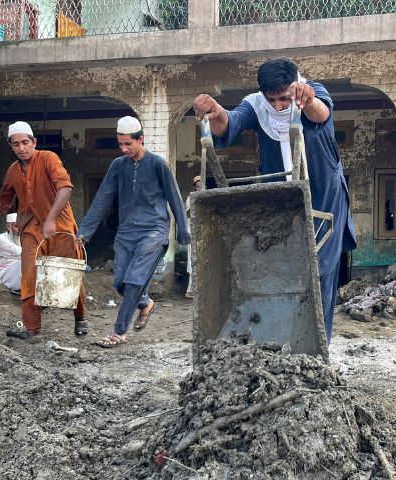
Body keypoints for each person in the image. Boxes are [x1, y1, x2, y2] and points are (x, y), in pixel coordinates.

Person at [192, 57, 356, 345]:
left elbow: (321, 114)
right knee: (281, 264)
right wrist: (215, 110)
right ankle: (279, 338)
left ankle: (319, 345)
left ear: (295, 85)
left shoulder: (312, 91)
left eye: (284, 99)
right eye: (273, 100)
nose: (279, 106)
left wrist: (308, 99)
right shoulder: (256, 106)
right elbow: (228, 123)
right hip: (282, 199)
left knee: (321, 271)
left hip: (324, 199)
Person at [0, 121, 89, 339]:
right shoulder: (13, 170)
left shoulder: (48, 158)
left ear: (34, 142)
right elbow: (3, 201)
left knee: (69, 272)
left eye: (25, 142)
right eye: (16, 144)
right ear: (11, 146)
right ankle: (31, 328)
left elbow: (65, 187)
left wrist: (50, 219)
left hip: (61, 226)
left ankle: (80, 317)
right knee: (29, 274)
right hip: (31, 229)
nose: (21, 148)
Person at [77, 116, 189, 348]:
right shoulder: (117, 166)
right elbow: (102, 199)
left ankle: (119, 332)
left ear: (141, 139)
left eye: (128, 144)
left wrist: (183, 231)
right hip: (126, 231)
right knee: (120, 281)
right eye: (120, 144)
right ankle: (146, 303)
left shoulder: (158, 164)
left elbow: (174, 197)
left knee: (136, 278)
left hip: (154, 230)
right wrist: (84, 232)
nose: (124, 149)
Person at [0, 212, 22, 293]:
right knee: (27, 259)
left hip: (13, 273)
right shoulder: (0, 238)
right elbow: (20, 253)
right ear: (8, 227)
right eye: (17, 226)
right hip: (0, 275)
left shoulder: (21, 238)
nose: (20, 229)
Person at [184, 175, 202, 299]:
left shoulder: (207, 196)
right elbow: (189, 213)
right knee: (193, 262)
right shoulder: (191, 198)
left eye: (201, 186)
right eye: (197, 186)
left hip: (203, 235)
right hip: (193, 234)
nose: (199, 188)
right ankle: (190, 290)